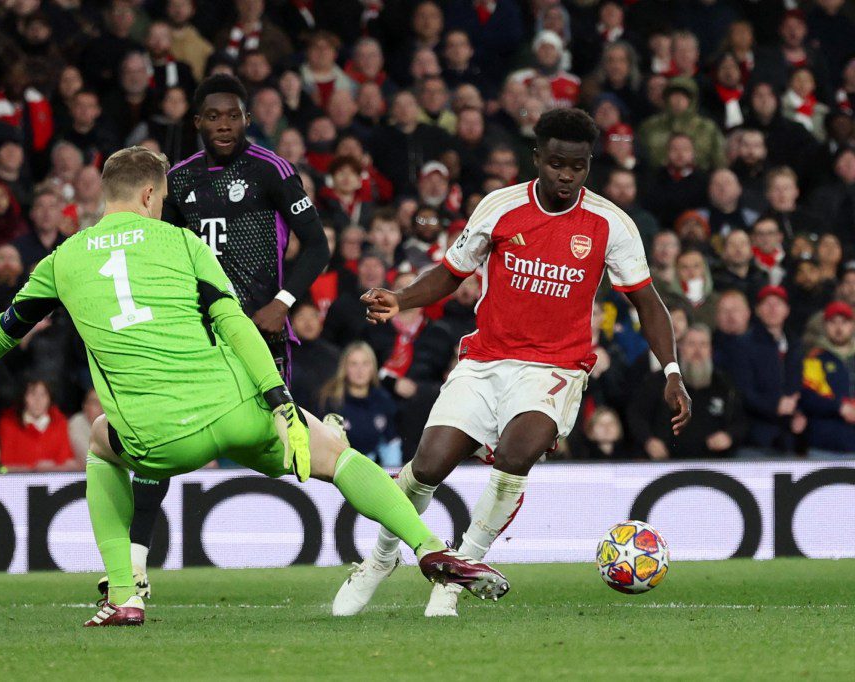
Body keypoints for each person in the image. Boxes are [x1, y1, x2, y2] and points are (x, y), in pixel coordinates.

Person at [0, 145, 505, 627]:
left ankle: (125, 593)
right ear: (146, 194)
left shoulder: (62, 258)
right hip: (236, 408)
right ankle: (427, 546)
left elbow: (5, 332)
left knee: (102, 442)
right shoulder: (182, 241)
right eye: (161, 197)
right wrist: (280, 404)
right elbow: (234, 324)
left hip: (157, 439)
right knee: (335, 455)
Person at [333, 109, 691, 618]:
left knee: (515, 456)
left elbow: (647, 302)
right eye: (557, 164)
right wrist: (403, 299)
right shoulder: (500, 208)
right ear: (537, 159)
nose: (567, 176)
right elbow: (453, 271)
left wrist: (672, 372)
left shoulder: (611, 224)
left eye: (579, 167)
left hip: (555, 370)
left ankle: (457, 575)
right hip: (486, 360)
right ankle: (379, 560)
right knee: (427, 467)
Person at [119, 74, 334, 581]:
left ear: (247, 119)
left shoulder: (272, 171)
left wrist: (282, 303)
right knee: (158, 438)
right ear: (196, 122)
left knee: (283, 446)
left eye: (232, 115)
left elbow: (318, 246)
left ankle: (337, 454)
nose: (223, 124)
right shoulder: (182, 179)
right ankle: (134, 568)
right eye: (212, 116)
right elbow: (159, 253)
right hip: (196, 337)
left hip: (261, 332)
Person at [629, 325, 746, 460]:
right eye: (691, 344)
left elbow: (741, 421)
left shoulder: (725, 384)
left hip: (714, 463)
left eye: (703, 344)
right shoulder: (659, 381)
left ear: (710, 350)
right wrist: (648, 441)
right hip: (665, 463)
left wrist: (729, 436)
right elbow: (636, 415)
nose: (698, 350)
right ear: (680, 348)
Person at [728, 285, 802, 454]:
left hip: (789, 437)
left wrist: (799, 412)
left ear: (787, 310)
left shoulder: (795, 344)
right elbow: (743, 391)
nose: (773, 309)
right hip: (756, 438)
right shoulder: (744, 345)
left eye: (778, 304)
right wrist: (775, 405)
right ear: (758, 310)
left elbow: (799, 386)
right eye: (767, 304)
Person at [800, 301, 855, 458]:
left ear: (852, 325)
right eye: (833, 322)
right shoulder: (815, 358)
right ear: (825, 326)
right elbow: (808, 397)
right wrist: (839, 407)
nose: (839, 328)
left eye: (844, 322)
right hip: (824, 446)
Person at [0, 380, 77, 471]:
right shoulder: (8, 424)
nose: (38, 400)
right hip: (17, 482)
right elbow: (4, 466)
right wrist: (34, 469)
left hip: (54, 481)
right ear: (23, 397)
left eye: (43, 395)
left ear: (50, 398)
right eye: (32, 394)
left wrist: (52, 468)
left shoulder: (60, 422)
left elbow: (68, 462)